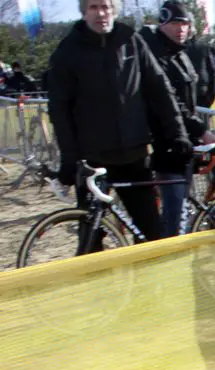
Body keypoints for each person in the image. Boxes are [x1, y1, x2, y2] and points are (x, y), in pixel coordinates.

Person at [48, 0, 189, 251]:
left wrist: (178, 134)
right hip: (92, 162)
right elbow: (59, 110)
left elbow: (160, 89)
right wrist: (69, 160)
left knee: (151, 237)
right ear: (83, 11)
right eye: (93, 7)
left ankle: (149, 289)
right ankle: (96, 290)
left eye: (105, 6)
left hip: (134, 155)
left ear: (114, 9)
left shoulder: (132, 40)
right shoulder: (67, 51)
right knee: (90, 242)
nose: (100, 13)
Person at [142, 1, 215, 238]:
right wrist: (200, 128)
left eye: (184, 24)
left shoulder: (180, 54)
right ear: (162, 25)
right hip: (167, 143)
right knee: (175, 217)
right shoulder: (157, 56)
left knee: (179, 207)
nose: (180, 29)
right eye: (175, 24)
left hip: (185, 141)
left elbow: (196, 96)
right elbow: (172, 102)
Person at [187, 34, 215, 108]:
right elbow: (212, 70)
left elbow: (212, 70)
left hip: (201, 93)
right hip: (198, 93)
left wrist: (211, 95)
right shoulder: (204, 46)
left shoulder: (203, 47)